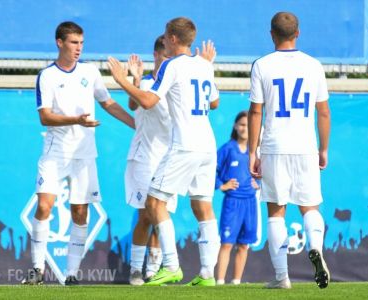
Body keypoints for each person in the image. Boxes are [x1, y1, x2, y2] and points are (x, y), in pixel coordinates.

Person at [108, 17, 220, 286]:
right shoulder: (204, 65)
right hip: (208, 145)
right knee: (203, 207)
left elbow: (146, 100)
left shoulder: (172, 65)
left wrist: (122, 80)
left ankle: (171, 265)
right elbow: (214, 102)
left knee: (154, 204)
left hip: (185, 145)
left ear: (171, 39)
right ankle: (207, 273)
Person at [22, 21, 134, 286]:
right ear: (59, 43)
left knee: (81, 213)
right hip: (55, 152)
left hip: (84, 154)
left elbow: (107, 103)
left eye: (81, 43)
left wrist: (136, 125)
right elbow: (45, 118)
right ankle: (37, 269)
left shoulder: (90, 71)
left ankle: (71, 274)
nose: (78, 48)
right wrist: (76, 120)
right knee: (44, 206)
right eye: (74, 43)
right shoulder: (47, 76)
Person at [248, 12, 331, 289]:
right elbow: (324, 112)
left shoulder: (262, 65)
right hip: (305, 145)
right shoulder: (314, 65)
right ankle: (316, 247)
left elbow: (256, 111)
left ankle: (282, 277)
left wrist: (252, 152)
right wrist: (323, 148)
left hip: (274, 146)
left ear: (271, 34)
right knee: (309, 206)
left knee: (276, 211)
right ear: (298, 33)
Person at [124, 36, 177, 285]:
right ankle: (136, 269)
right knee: (146, 214)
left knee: (161, 214)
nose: (169, 62)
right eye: (166, 57)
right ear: (156, 55)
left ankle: (154, 270)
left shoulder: (177, 85)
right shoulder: (145, 82)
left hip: (169, 157)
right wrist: (134, 79)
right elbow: (134, 102)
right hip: (144, 157)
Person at [215, 111, 259, 285]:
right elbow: (212, 170)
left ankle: (236, 282)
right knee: (226, 243)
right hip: (232, 202)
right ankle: (219, 282)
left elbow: (264, 172)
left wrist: (258, 183)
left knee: (244, 244)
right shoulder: (227, 149)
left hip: (250, 202)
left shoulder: (254, 151)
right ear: (235, 126)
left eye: (248, 125)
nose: (245, 128)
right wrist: (221, 185)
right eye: (241, 124)